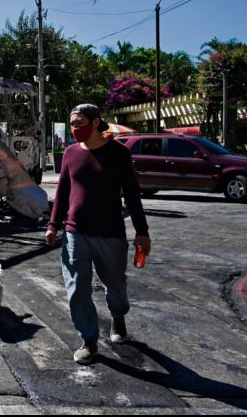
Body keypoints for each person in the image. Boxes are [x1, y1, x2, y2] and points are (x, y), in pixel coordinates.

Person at [45, 104, 151, 365]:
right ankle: (89, 340)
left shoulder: (118, 153)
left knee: (115, 285)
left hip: (110, 233)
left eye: (80, 123)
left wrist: (142, 231)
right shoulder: (70, 153)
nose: (74, 129)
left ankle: (118, 315)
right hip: (75, 232)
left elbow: (132, 193)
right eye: (72, 124)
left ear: (95, 123)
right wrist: (53, 225)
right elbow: (63, 191)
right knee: (77, 288)